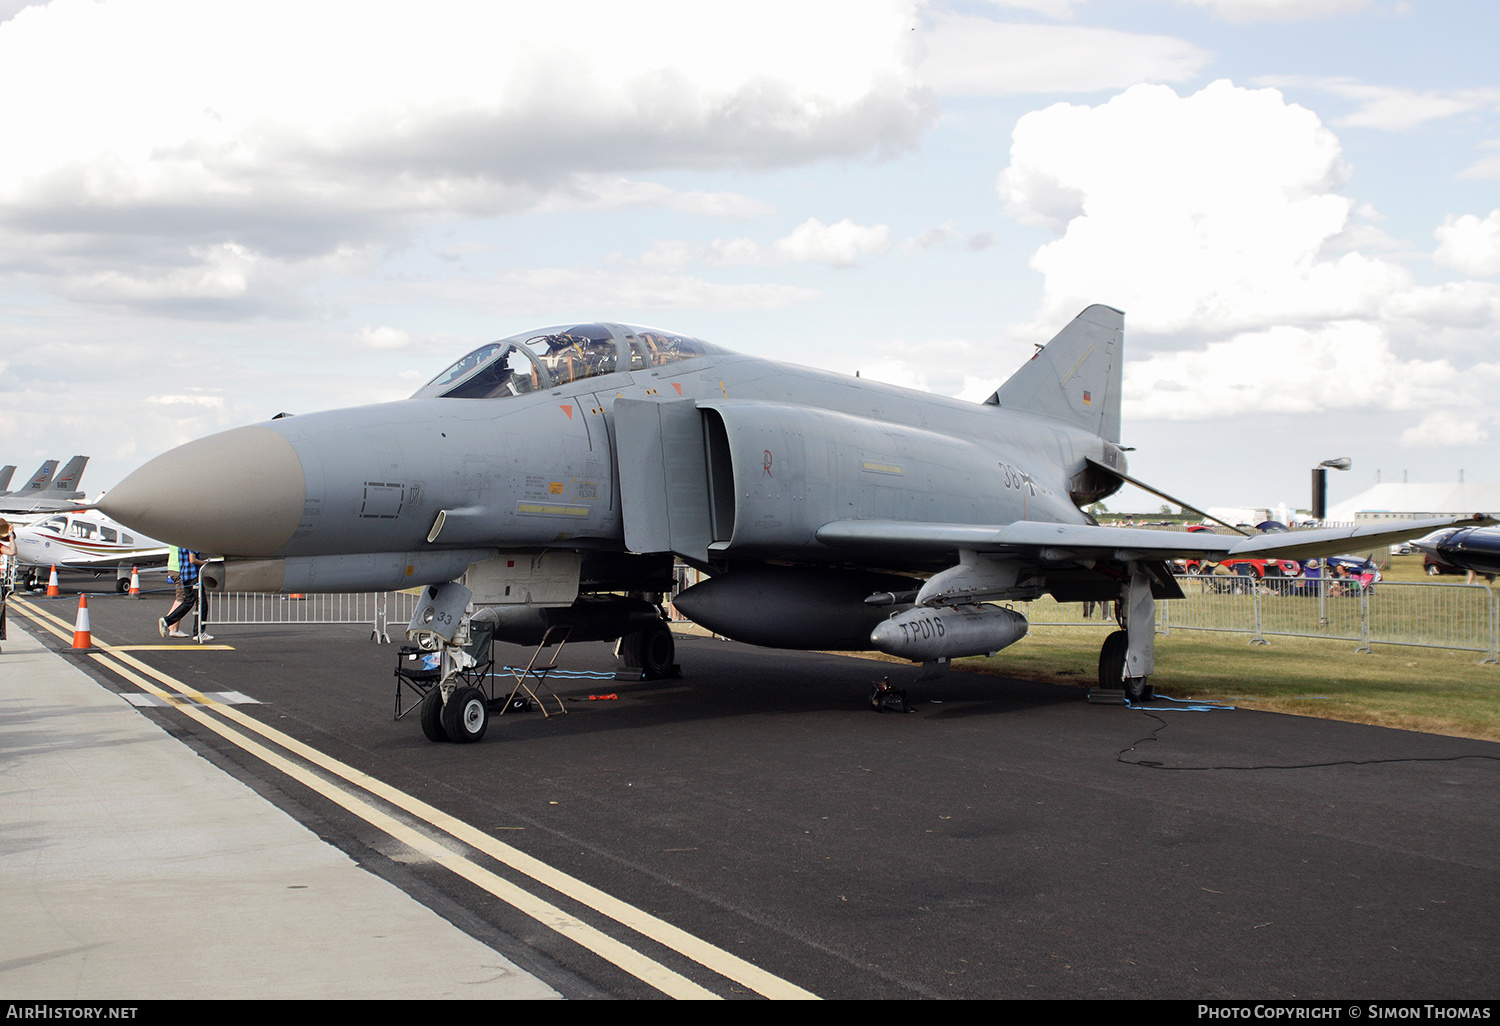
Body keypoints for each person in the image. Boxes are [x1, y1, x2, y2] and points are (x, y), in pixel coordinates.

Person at [159, 547, 212, 641]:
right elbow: (192, 560)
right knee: (202, 603)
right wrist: (205, 563)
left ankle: (168, 620)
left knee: (188, 601)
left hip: (185, 574)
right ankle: (199, 632)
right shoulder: (192, 542)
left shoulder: (181, 543)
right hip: (193, 575)